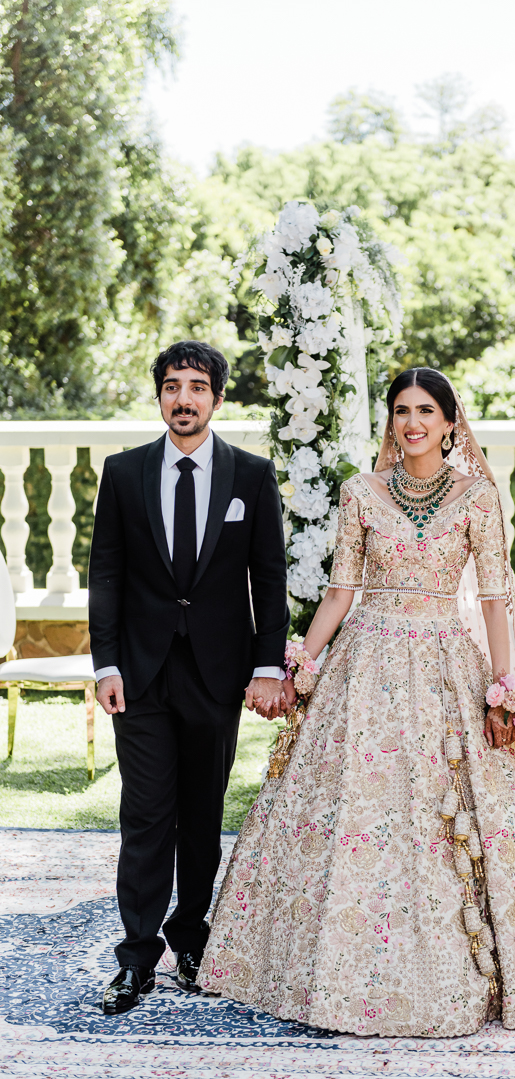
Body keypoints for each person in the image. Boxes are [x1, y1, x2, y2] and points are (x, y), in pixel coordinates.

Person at [198, 368, 515, 1035]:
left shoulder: (477, 496)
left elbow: (495, 598)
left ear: (451, 423)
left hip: (446, 663)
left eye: (427, 411)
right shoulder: (361, 492)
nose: (413, 423)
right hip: (365, 664)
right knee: (353, 802)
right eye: (402, 410)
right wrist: (303, 661)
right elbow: (340, 592)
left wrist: (504, 688)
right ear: (391, 421)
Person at [88, 340, 291, 1015]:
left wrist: (267, 665)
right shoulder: (123, 473)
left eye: (197, 387)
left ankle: (191, 935)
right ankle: (136, 957)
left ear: (217, 399)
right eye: (172, 386)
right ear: (159, 397)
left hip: (216, 673)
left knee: (202, 815)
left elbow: (268, 578)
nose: (184, 398)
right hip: (140, 674)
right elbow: (106, 573)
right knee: (146, 814)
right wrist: (106, 663)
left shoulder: (252, 476)